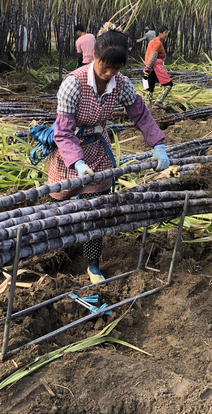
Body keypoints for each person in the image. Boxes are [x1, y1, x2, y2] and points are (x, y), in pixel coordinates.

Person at [49, 24, 170, 284]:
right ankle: (56, 253)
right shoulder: (74, 83)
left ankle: (92, 264)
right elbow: (63, 131)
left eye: (115, 68)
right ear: (95, 56)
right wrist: (77, 163)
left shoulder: (122, 84)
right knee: (60, 203)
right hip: (69, 153)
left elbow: (140, 114)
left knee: (97, 210)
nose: (108, 73)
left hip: (99, 150)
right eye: (105, 65)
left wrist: (157, 144)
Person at [143, 26, 172, 101]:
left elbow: (147, 55)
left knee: (150, 89)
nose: (166, 35)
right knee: (169, 84)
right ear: (160, 33)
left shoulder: (152, 41)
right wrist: (148, 69)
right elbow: (153, 56)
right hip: (154, 69)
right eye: (165, 32)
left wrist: (146, 69)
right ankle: (159, 100)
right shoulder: (158, 43)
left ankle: (147, 108)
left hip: (148, 68)